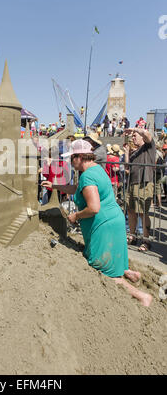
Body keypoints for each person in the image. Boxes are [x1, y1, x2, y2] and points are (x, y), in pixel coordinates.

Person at [42, 139, 152, 307]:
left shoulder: (87, 177)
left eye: (72, 158)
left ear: (79, 157)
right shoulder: (97, 170)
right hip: (113, 220)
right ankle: (130, 273)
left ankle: (142, 296)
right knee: (112, 255)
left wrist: (76, 216)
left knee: (103, 270)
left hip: (104, 225)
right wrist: (55, 185)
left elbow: (93, 208)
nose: (71, 162)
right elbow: (75, 189)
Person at [123, 127, 156, 252]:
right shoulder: (135, 152)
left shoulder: (149, 146)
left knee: (143, 213)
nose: (133, 137)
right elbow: (127, 167)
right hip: (132, 183)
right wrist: (126, 153)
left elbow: (147, 134)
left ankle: (146, 240)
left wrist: (134, 128)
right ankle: (133, 236)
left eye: (134, 135)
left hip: (144, 183)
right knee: (131, 211)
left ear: (142, 137)